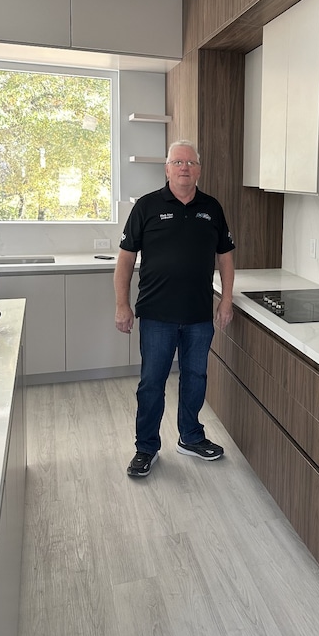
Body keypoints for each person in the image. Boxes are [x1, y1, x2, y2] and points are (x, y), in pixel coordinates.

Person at [114, 139, 235, 478]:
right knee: (152, 382)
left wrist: (226, 299)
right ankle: (146, 447)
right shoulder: (147, 207)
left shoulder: (212, 208)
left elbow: (225, 256)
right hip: (156, 315)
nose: (185, 168)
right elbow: (125, 259)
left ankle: (191, 436)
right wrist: (122, 304)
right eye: (178, 162)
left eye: (191, 163)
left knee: (195, 378)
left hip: (198, 315)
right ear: (167, 169)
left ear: (198, 170)